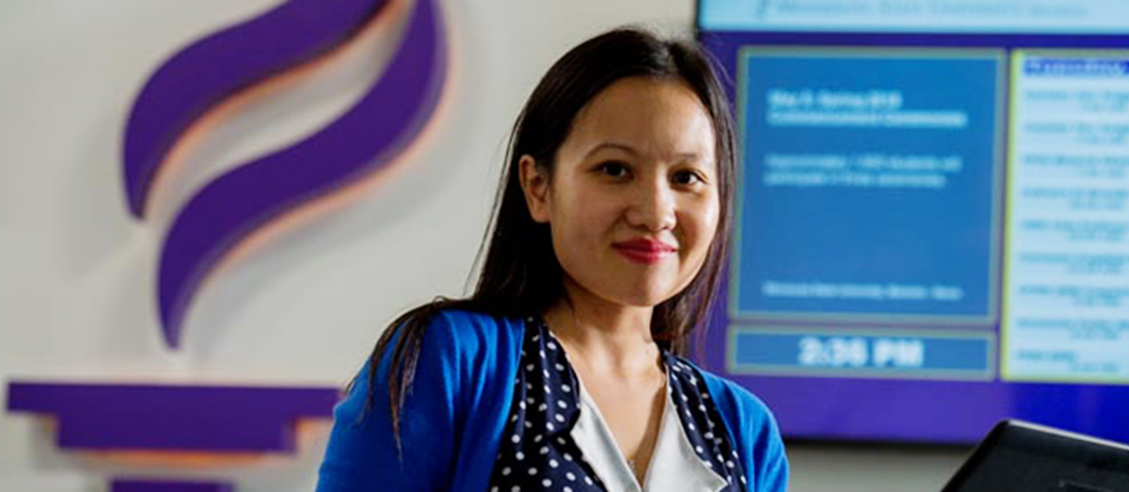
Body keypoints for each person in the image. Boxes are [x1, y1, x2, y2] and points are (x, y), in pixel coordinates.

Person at [316, 27, 789, 492]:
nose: (655, 212)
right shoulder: (449, 360)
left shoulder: (744, 430)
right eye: (615, 170)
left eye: (686, 177)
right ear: (538, 187)